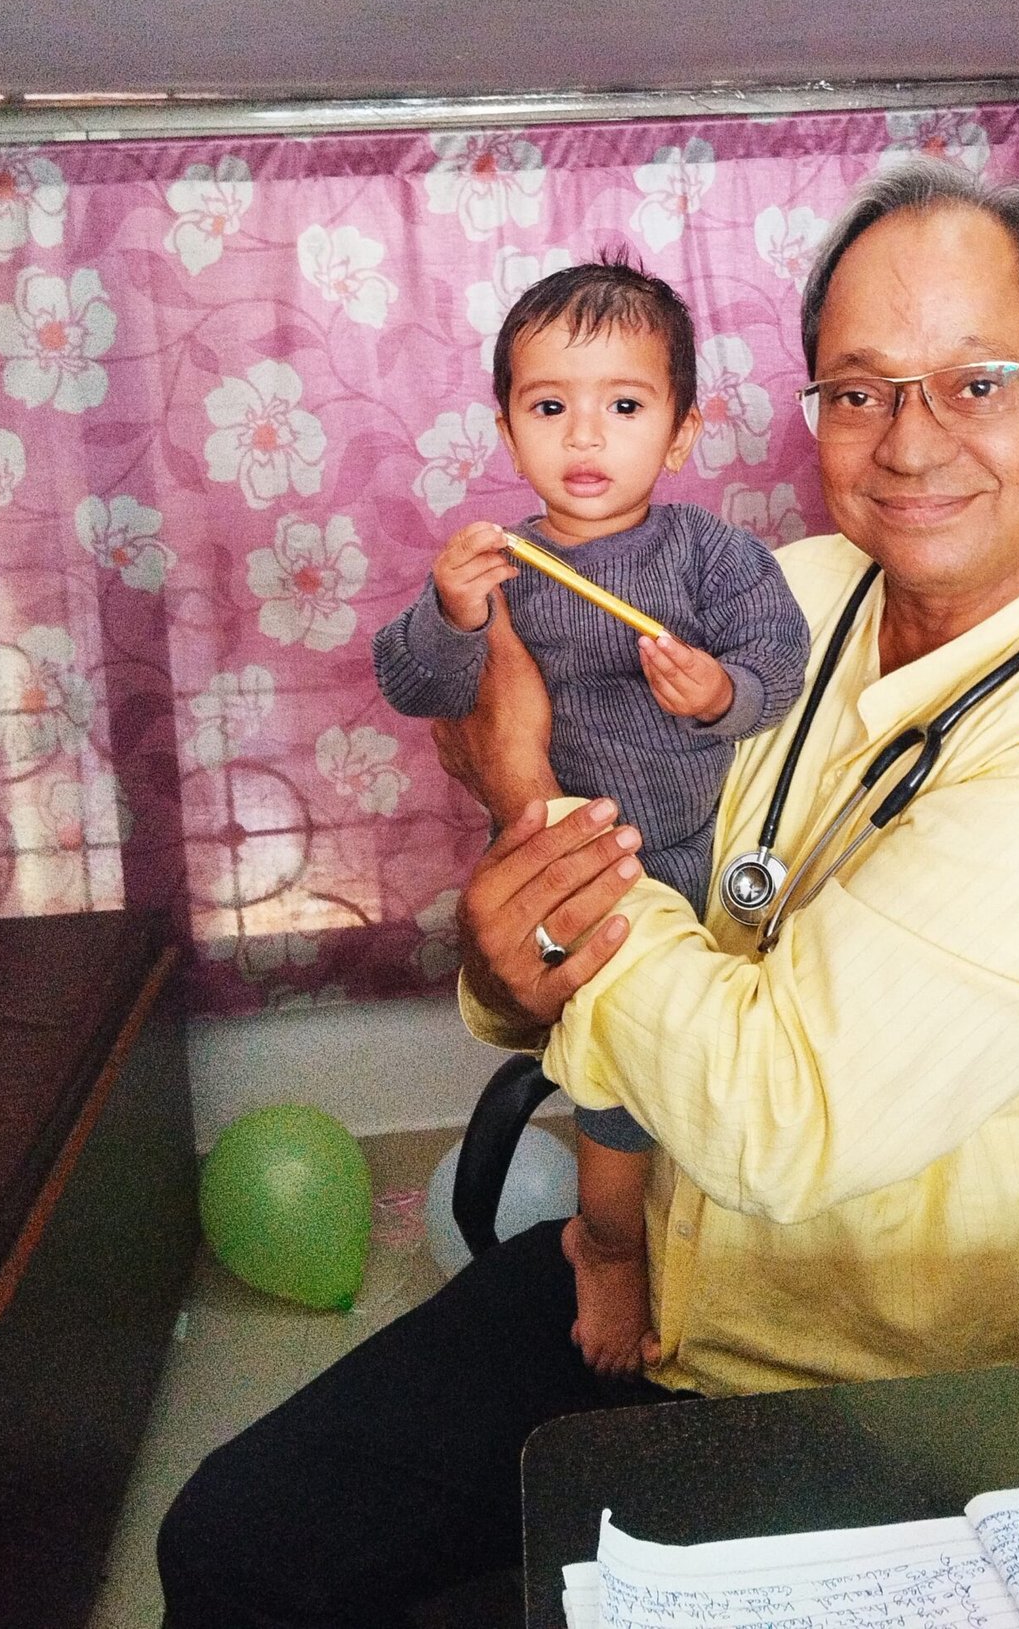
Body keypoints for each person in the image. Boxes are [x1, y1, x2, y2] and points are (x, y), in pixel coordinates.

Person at [159, 157, 1019, 1627]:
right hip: (648, 1271)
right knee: (229, 1546)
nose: (909, 442)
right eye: (857, 390)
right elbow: (550, 942)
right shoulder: (792, 592)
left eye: (976, 381)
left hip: (887, 1400)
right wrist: (516, 945)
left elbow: (777, 1112)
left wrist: (524, 799)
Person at [371, 255, 809, 1374]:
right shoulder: (502, 566)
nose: (584, 439)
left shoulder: (711, 554)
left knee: (726, 1069)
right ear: (508, 430)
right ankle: (605, 1246)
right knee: (616, 1100)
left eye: (622, 407)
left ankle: (710, 1246)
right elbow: (415, 688)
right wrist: (448, 611)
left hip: (713, 850)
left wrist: (722, 694)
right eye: (550, 408)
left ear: (677, 432)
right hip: (572, 859)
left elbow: (780, 656)